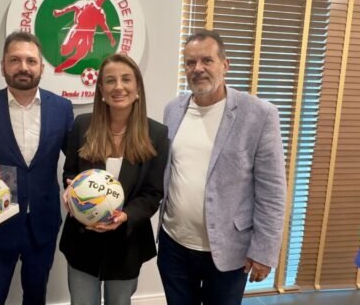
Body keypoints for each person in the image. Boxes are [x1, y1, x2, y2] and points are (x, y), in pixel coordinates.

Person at [157, 29, 287, 304]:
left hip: (229, 251)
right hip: (174, 245)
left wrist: (264, 251)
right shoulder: (173, 109)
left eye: (207, 60)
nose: (198, 69)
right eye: (190, 62)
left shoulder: (259, 114)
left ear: (225, 65)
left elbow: (272, 191)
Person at [0, 31, 74, 305]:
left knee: (36, 296)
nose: (23, 67)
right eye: (14, 60)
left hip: (43, 222)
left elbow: (75, 162)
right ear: (3, 66)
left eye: (31, 61)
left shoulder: (62, 108)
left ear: (42, 67)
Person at [60, 53, 169, 305]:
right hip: (82, 239)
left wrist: (125, 216)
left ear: (137, 88)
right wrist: (70, 191)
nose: (118, 86)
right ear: (101, 90)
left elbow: (153, 193)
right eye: (110, 81)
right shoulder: (82, 126)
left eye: (126, 79)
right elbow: (70, 173)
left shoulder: (157, 134)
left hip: (127, 244)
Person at [52, 0, 116, 73]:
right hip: (77, 29)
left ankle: (61, 67)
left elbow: (105, 27)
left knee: (80, 54)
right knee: (65, 50)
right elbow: (73, 7)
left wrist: (111, 39)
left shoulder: (100, 12)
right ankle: (63, 56)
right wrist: (61, 12)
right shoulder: (84, 3)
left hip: (88, 35)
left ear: (103, 0)